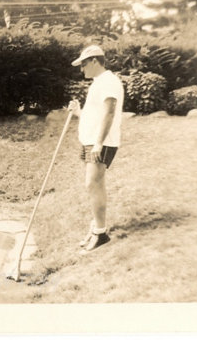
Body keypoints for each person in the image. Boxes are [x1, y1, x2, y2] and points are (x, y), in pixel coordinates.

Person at [68, 45, 124, 253]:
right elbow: (95, 115)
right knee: (93, 185)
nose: (81, 69)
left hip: (101, 142)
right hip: (91, 140)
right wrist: (78, 112)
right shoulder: (98, 83)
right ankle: (95, 228)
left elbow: (109, 113)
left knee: (93, 184)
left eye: (83, 64)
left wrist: (99, 143)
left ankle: (100, 234)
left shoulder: (109, 81)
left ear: (94, 61)